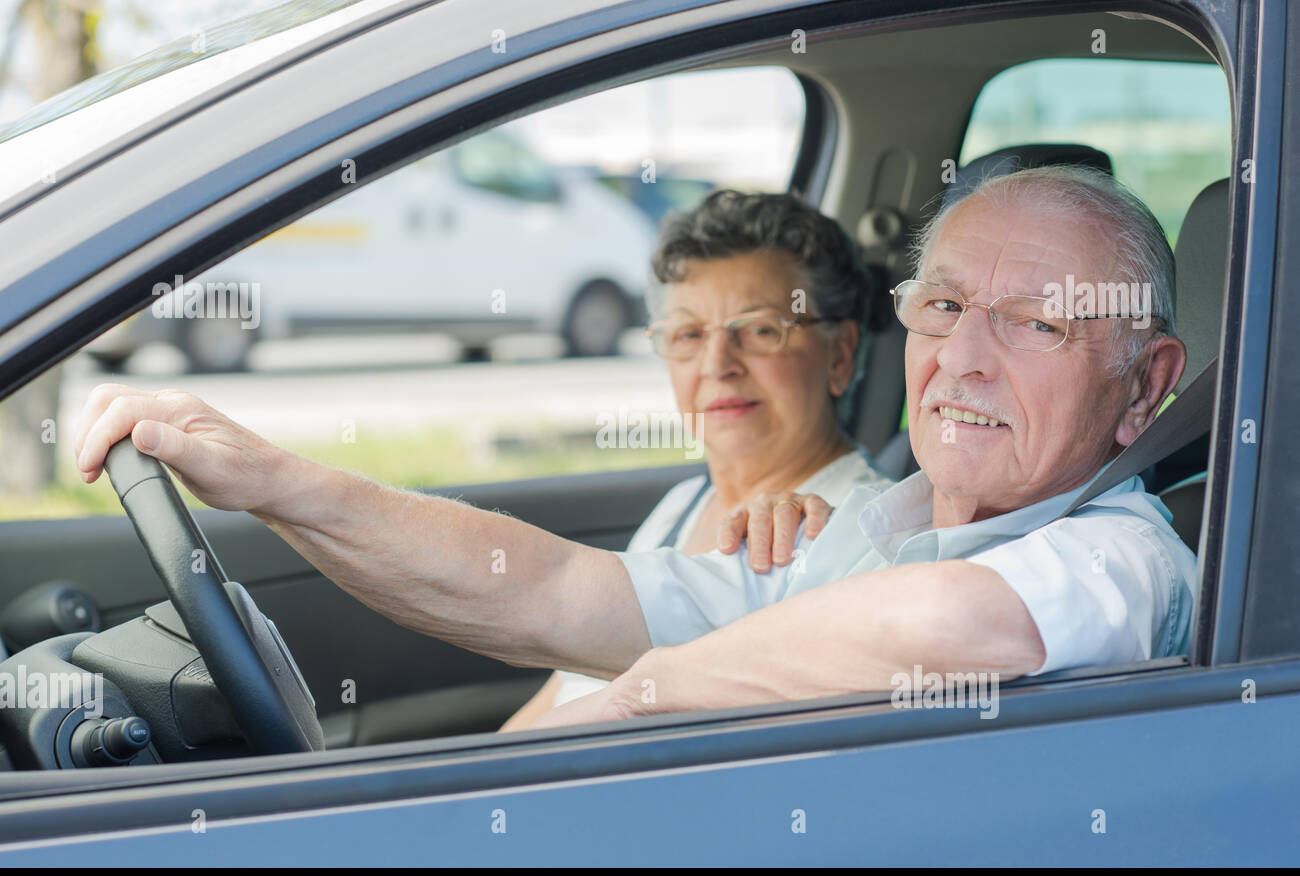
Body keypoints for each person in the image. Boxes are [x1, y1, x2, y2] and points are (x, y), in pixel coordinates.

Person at [73, 165, 1195, 730]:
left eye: (1043, 323)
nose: (968, 359)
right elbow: (555, 589)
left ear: (1143, 386)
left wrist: (608, 714)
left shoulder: (1126, 557)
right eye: (944, 306)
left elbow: (954, 623)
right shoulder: (867, 528)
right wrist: (276, 481)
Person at [501, 190, 888, 731]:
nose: (716, 364)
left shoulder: (862, 535)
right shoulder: (684, 505)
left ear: (839, 355)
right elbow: (563, 691)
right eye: (688, 335)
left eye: (759, 330)